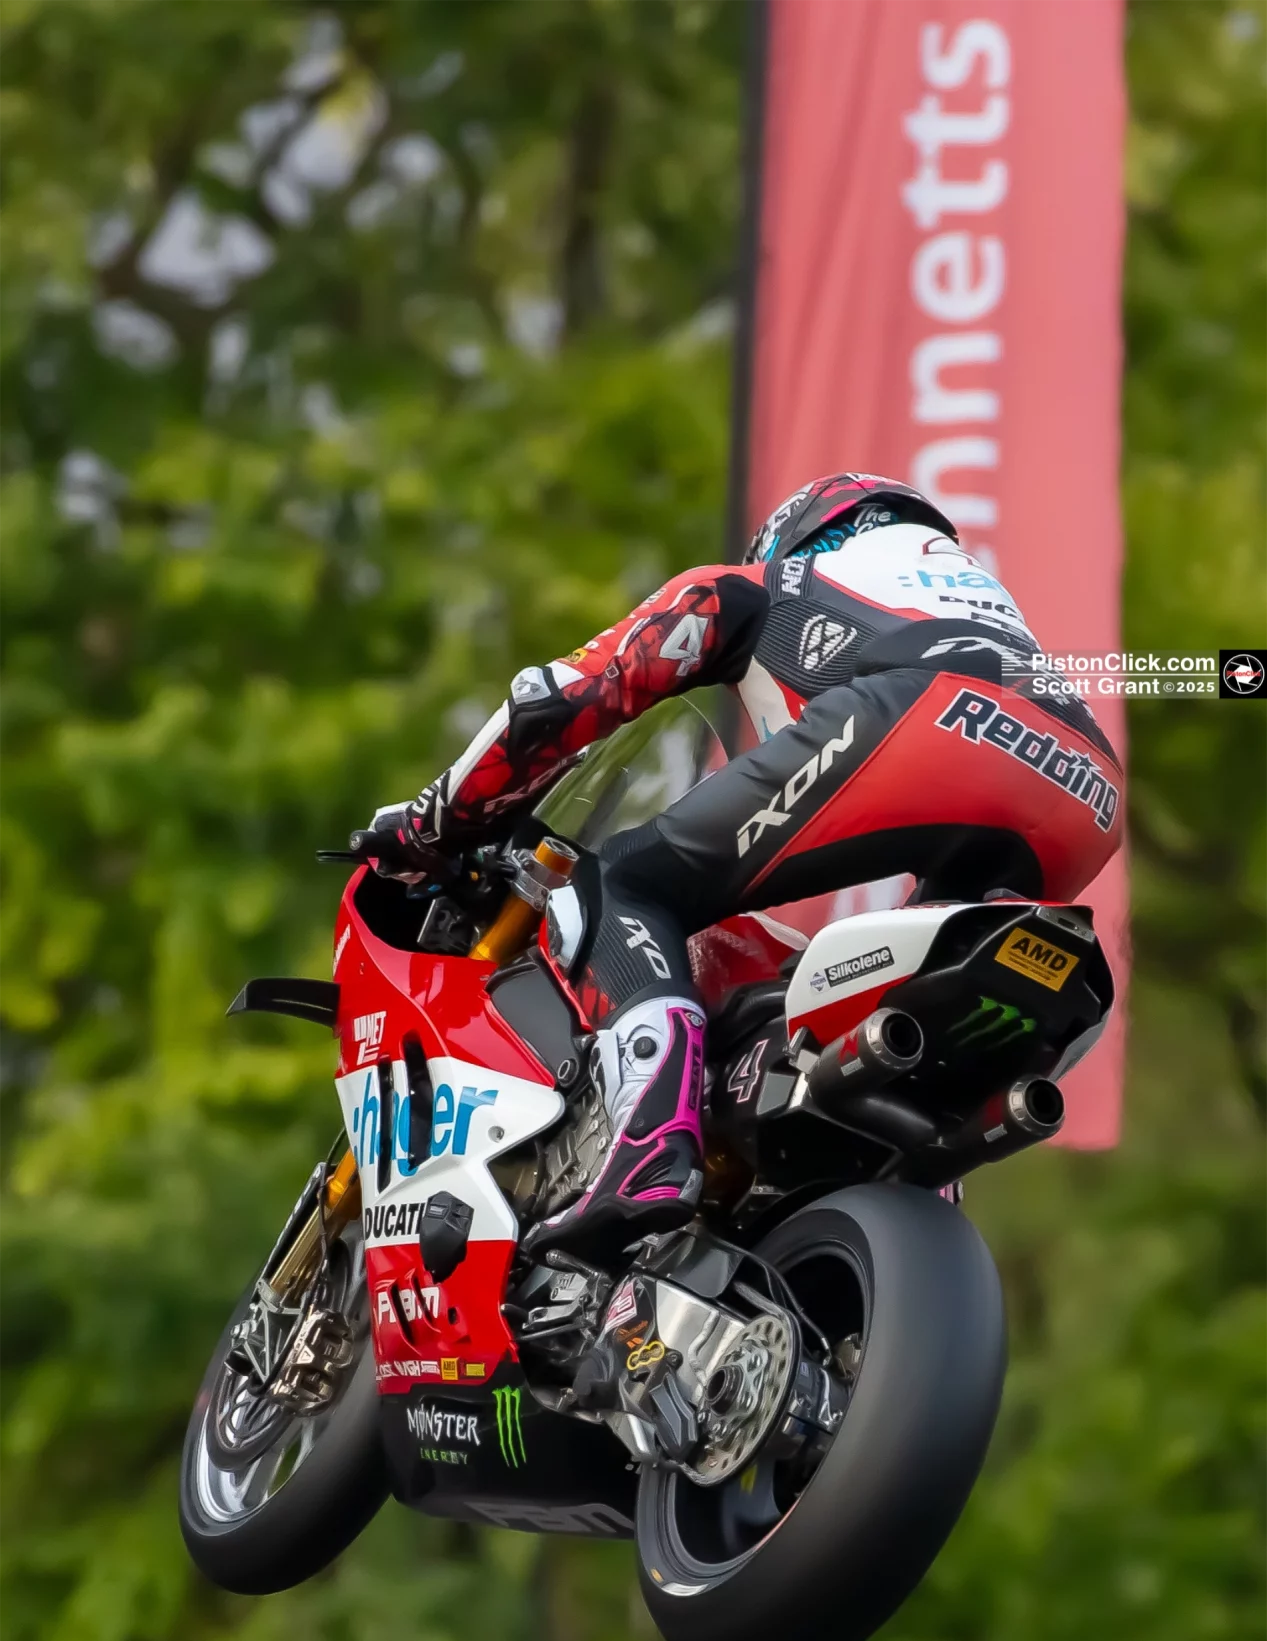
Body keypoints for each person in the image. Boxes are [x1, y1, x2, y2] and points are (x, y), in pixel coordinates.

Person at [370, 473, 1124, 1261]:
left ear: (796, 538)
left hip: (923, 718)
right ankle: (904, 1195)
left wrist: (434, 820)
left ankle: (651, 1145)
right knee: (919, 1009)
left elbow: (557, 700)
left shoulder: (766, 584)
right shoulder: (974, 609)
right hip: (1086, 787)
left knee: (625, 884)